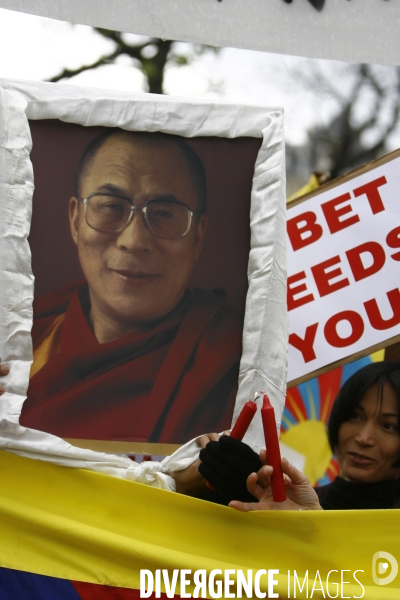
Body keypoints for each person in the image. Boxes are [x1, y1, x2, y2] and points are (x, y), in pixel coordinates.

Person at [0, 129, 243, 443]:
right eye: (111, 206)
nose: (134, 240)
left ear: (198, 236)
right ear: (76, 220)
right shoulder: (17, 342)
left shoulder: (231, 362)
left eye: (164, 214)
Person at [199, 361, 400, 511]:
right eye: (355, 416)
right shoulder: (284, 502)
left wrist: (309, 527)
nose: (364, 438)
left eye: (388, 426)